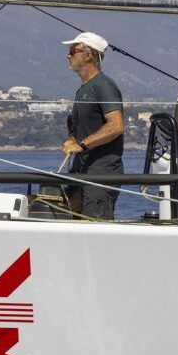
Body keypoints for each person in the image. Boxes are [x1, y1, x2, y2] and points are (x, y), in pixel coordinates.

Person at [60, 32, 125, 220]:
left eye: (73, 50)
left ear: (88, 55)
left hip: (101, 171)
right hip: (81, 170)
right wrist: (71, 140)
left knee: (94, 228)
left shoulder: (104, 86)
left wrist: (82, 145)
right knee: (68, 219)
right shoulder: (83, 89)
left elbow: (116, 126)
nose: (68, 55)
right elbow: (82, 129)